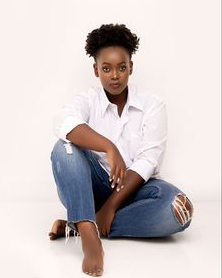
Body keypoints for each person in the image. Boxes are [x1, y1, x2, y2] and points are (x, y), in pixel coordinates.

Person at [48, 23, 194, 277]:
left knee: (179, 209)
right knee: (64, 149)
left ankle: (82, 223)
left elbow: (148, 160)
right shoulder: (88, 101)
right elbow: (63, 121)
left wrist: (112, 206)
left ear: (131, 67)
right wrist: (108, 146)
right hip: (89, 188)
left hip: (132, 190)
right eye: (106, 68)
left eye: (121, 67)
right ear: (96, 70)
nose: (114, 75)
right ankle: (89, 238)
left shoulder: (153, 105)